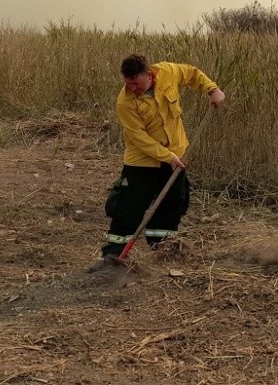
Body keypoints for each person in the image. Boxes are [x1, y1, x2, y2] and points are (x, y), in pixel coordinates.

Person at [87, 54, 225, 273]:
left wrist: (212, 89)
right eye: (127, 83)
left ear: (149, 75)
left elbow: (192, 74)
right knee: (128, 208)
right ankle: (112, 256)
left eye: (136, 83)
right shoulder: (125, 102)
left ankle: (164, 252)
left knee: (171, 206)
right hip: (142, 162)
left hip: (176, 157)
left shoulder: (168, 72)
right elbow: (138, 138)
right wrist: (167, 157)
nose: (132, 88)